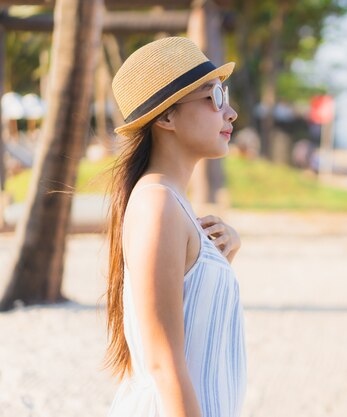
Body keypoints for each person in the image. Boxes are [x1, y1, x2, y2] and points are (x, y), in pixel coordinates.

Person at [103, 37, 246, 417]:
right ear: (166, 117)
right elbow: (163, 364)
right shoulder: (157, 204)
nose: (229, 112)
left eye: (224, 94)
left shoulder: (170, 202)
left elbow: (193, 324)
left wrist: (220, 256)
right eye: (213, 97)